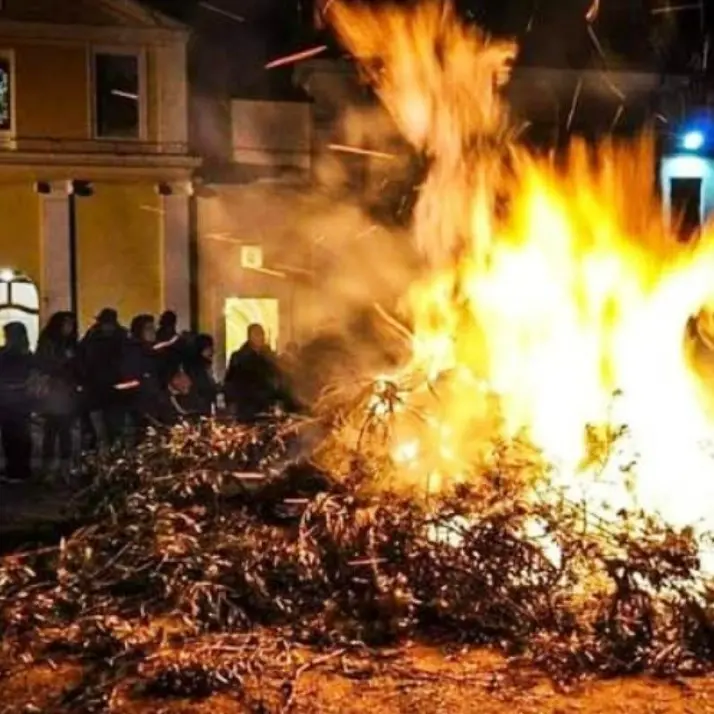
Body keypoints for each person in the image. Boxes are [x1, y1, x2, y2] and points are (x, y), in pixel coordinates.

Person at [76, 308, 127, 451]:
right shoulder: (92, 337)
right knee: (97, 431)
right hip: (97, 390)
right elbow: (82, 360)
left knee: (114, 429)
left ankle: (111, 457)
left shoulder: (120, 337)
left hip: (112, 391)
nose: (107, 327)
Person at [36, 311, 78, 475]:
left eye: (71, 324)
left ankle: (64, 467)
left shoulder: (70, 343)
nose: (69, 327)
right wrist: (65, 360)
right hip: (53, 391)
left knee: (64, 431)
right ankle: (49, 468)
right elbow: (45, 364)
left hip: (66, 392)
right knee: (52, 431)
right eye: (66, 324)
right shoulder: (49, 342)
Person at [0, 323, 37, 483]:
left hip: (8, 400)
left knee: (11, 437)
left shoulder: (4, 354)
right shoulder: (27, 354)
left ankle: (15, 470)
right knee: (21, 436)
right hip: (21, 400)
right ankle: (21, 469)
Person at [224, 323, 283, 422]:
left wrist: (278, 398)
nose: (260, 338)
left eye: (261, 334)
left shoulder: (269, 357)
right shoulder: (239, 357)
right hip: (246, 405)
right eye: (256, 334)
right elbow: (230, 381)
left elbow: (277, 378)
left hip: (267, 404)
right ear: (249, 336)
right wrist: (231, 402)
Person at [120, 314, 162, 443]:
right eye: (149, 328)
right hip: (140, 405)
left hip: (153, 402)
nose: (153, 332)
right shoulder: (134, 351)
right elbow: (131, 380)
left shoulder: (153, 351)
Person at [182, 334, 218, 417]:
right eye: (209, 348)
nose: (212, 351)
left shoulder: (204, 367)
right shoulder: (196, 368)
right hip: (199, 410)